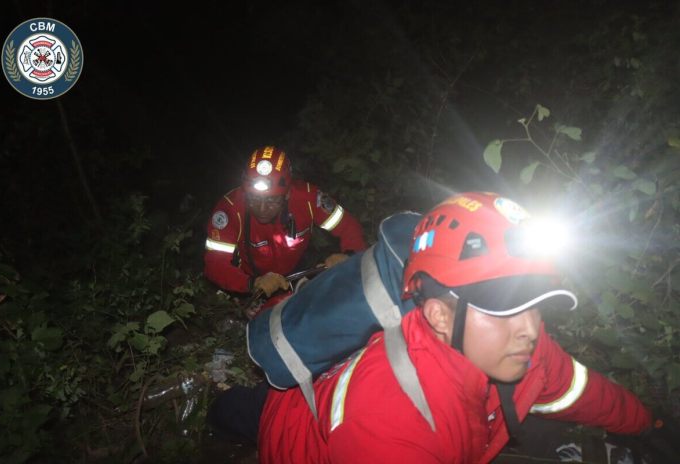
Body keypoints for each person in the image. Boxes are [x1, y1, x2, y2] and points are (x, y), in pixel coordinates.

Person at [214, 192, 661, 463]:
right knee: (232, 413)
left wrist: (648, 426)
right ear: (439, 315)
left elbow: (579, 390)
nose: (529, 329)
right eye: (503, 308)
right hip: (290, 431)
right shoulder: (391, 423)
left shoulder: (527, 348)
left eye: (537, 304)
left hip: (332, 403)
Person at [203, 146, 367, 302]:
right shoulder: (230, 210)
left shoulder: (308, 198)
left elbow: (348, 227)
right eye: (254, 199)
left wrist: (348, 255)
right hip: (250, 282)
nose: (262, 209)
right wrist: (252, 283)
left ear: (287, 194)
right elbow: (214, 264)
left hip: (299, 271)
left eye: (272, 200)